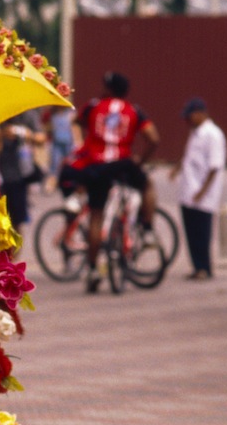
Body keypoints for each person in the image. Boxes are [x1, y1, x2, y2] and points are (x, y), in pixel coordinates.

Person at [62, 71, 160, 292]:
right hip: (122, 163)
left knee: (96, 216)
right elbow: (154, 138)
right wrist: (140, 162)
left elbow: (75, 122)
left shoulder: (93, 106)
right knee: (147, 185)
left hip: (96, 165)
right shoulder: (134, 110)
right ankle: (147, 229)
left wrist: (84, 142)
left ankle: (93, 269)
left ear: (108, 88)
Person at [176, 98, 226, 281]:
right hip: (189, 191)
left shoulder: (213, 135)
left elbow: (215, 166)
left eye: (190, 117)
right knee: (191, 232)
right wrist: (176, 169)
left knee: (202, 232)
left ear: (200, 113)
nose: (188, 121)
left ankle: (205, 267)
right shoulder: (195, 133)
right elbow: (189, 158)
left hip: (202, 194)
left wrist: (202, 191)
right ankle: (198, 266)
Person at [0, 110, 45, 230]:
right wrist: (0, 134)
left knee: (17, 220)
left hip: (19, 174)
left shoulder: (27, 114)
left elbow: (41, 138)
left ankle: (15, 248)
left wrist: (23, 133)